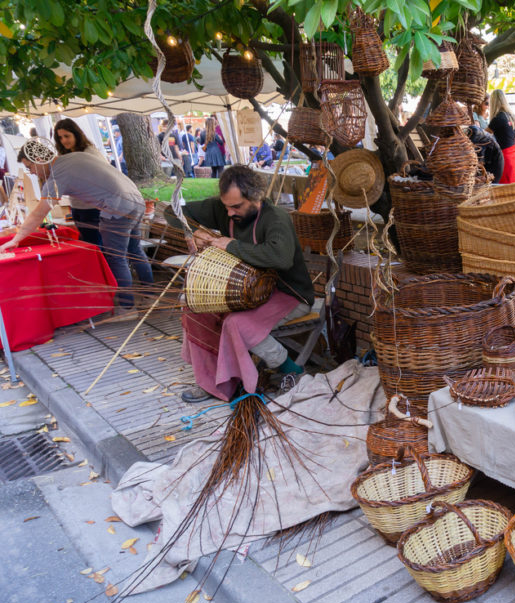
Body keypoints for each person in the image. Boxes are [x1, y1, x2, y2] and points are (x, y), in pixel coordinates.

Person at [165, 165, 315, 403]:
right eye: (226, 206)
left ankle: (291, 371)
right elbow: (171, 212)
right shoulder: (223, 209)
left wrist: (231, 245)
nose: (229, 212)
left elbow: (281, 258)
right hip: (245, 291)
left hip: (289, 294)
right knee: (196, 310)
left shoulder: (276, 218)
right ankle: (213, 380)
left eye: (236, 206)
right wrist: (192, 231)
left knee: (236, 324)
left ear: (256, 197)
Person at [3, 141, 154, 311]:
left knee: (116, 258)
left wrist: (16, 240)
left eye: (29, 166)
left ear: (38, 159)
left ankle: (127, 308)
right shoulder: (75, 156)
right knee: (135, 250)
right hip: (136, 200)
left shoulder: (57, 177)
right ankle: (151, 297)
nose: (31, 172)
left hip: (116, 208)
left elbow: (39, 214)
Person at [53, 118, 109, 248]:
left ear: (76, 134)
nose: (64, 140)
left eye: (67, 136)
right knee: (89, 244)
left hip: (93, 207)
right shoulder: (65, 154)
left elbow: (104, 176)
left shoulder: (89, 152)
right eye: (60, 137)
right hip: (77, 206)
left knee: (95, 245)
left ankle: (102, 268)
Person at [487, 90, 515, 184]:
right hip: (514, 155)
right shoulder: (511, 116)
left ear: (493, 102)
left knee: (505, 188)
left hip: (504, 158)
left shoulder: (497, 119)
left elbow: (483, 134)